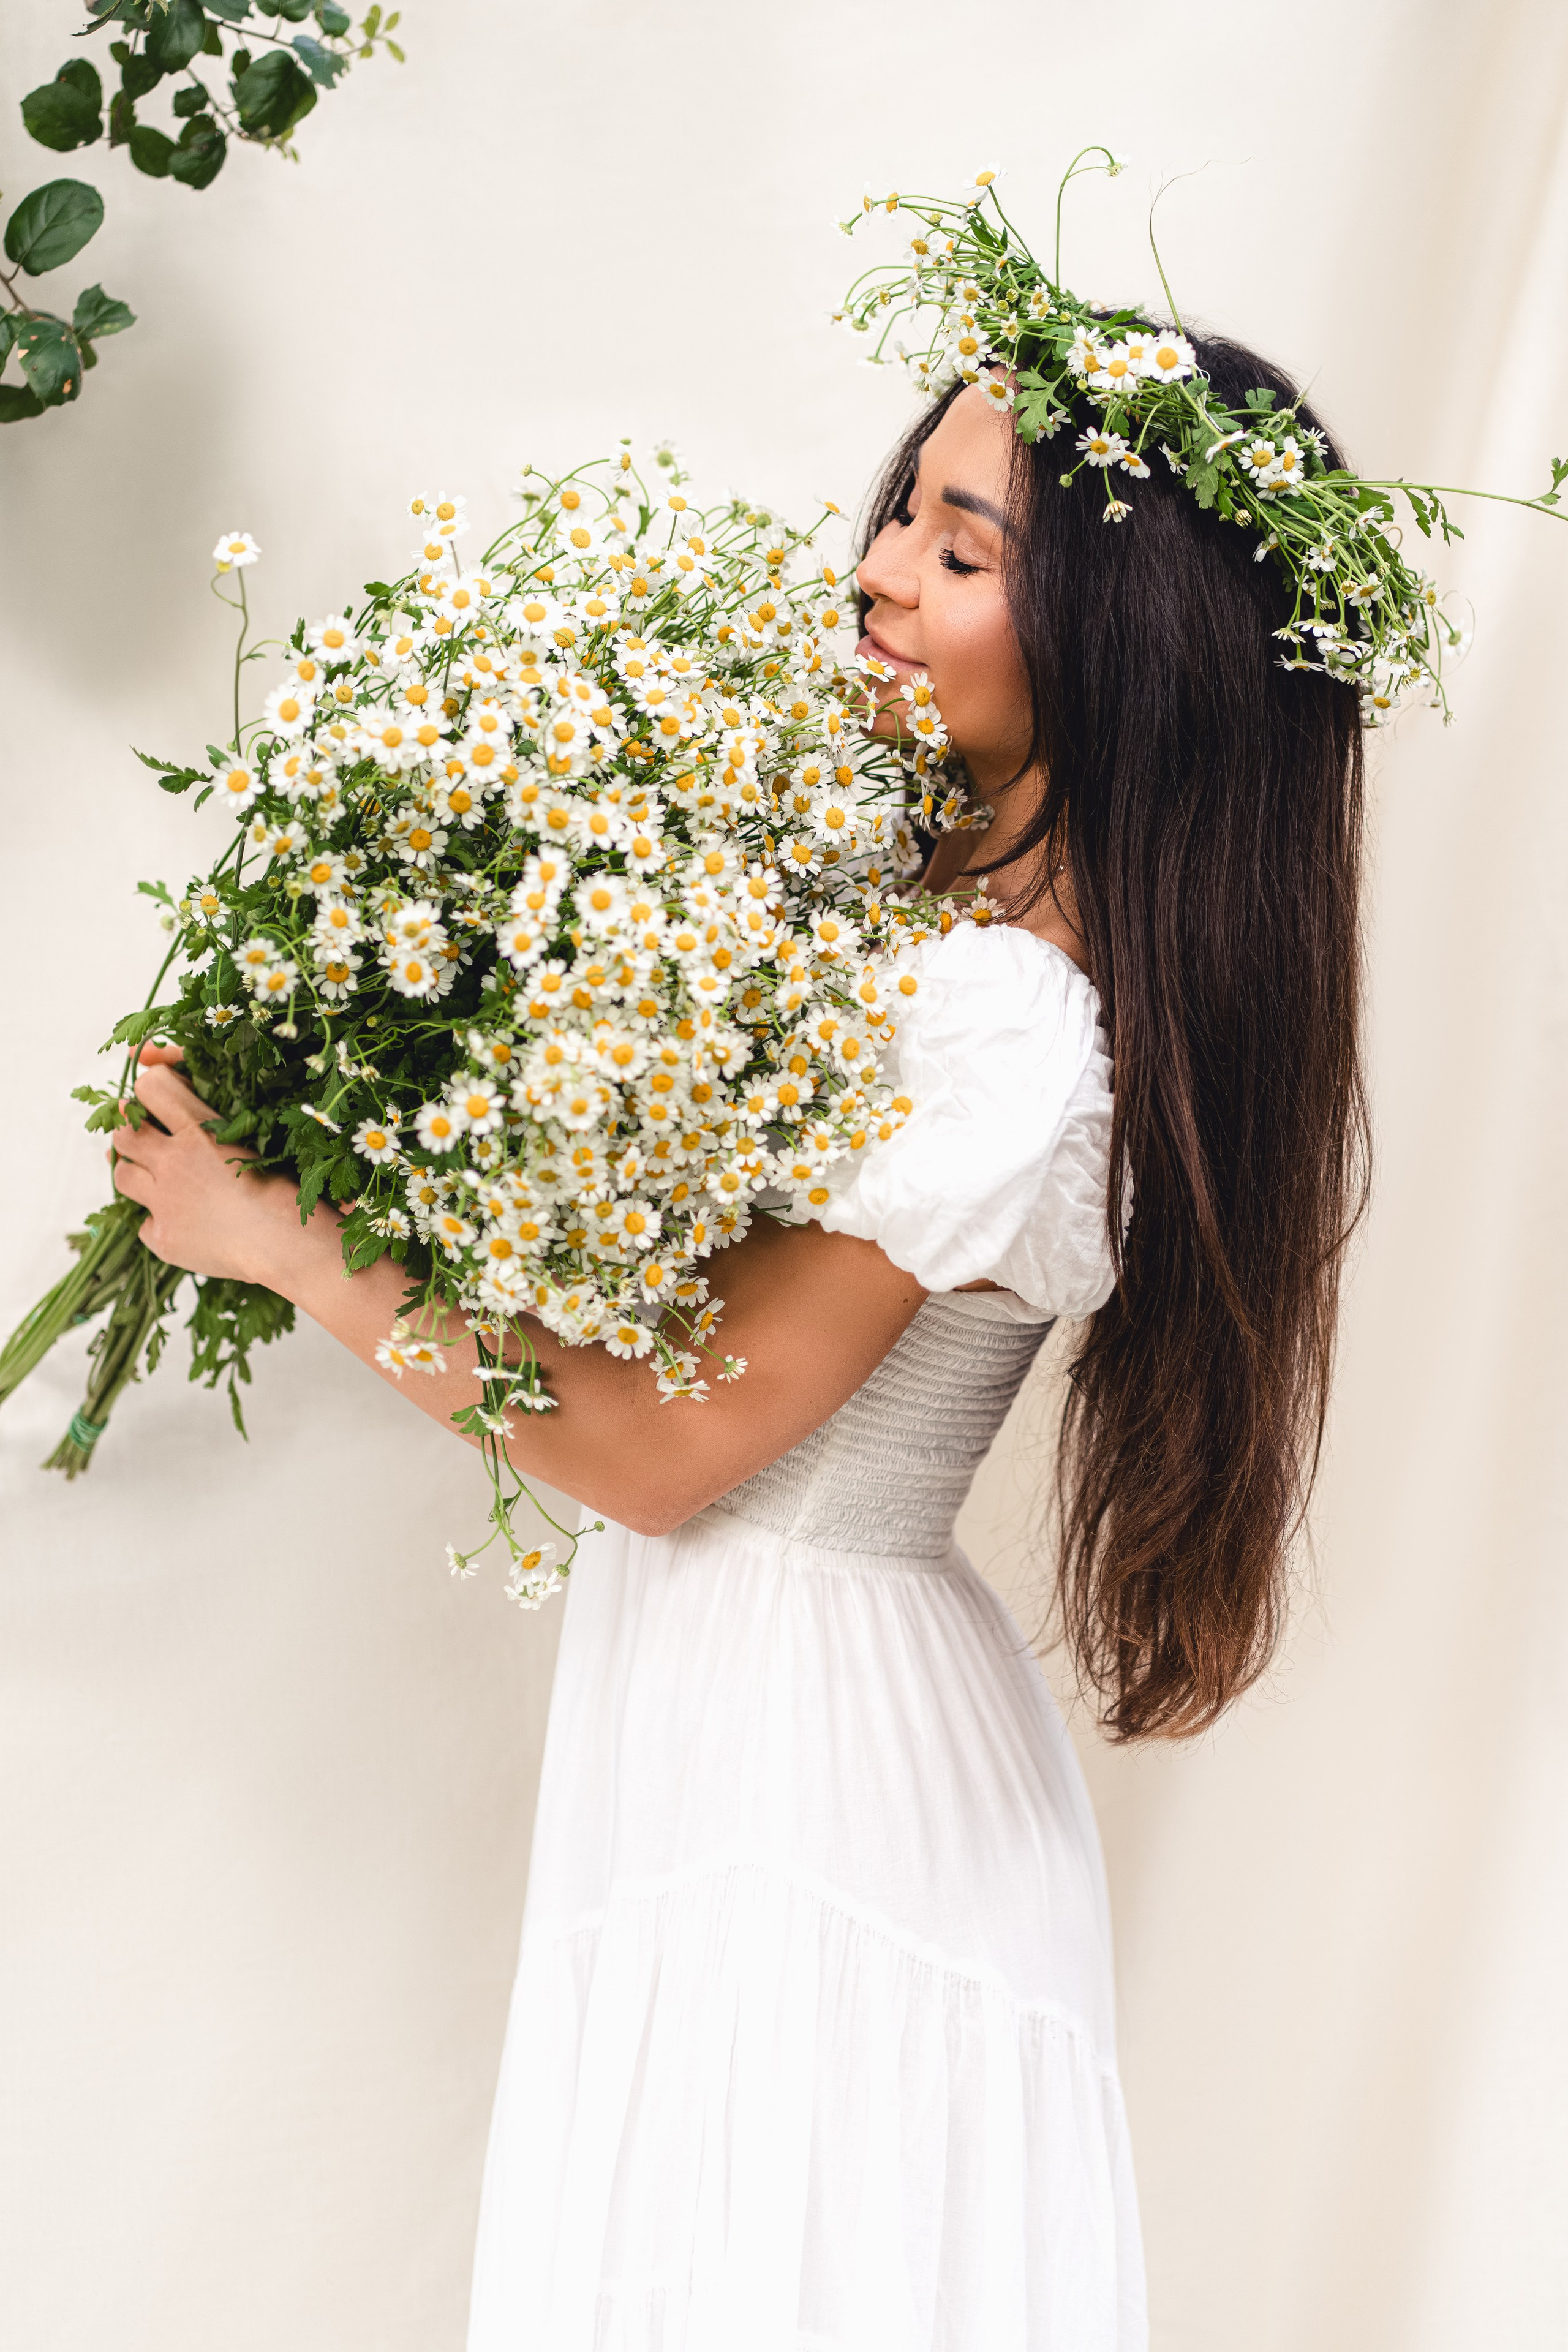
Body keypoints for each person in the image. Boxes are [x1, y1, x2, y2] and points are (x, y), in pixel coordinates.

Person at [109, 317, 1367, 2346]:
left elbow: (664, 1445)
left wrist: (298, 1248)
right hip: (747, 1683)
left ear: (1130, 650)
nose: (876, 565)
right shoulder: (906, 916)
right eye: (901, 514)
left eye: (962, 551)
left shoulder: (1005, 1018)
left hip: (813, 1743)